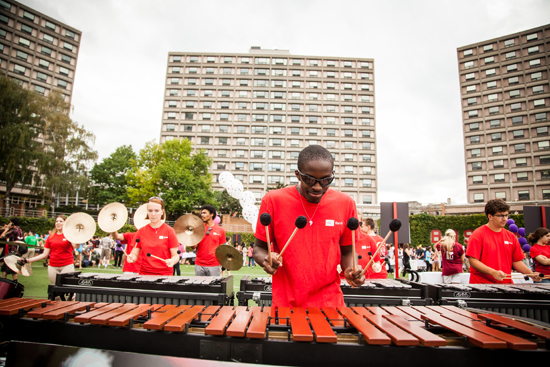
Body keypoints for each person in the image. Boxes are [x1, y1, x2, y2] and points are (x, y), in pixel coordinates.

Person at [253, 145, 364, 308]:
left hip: (330, 303)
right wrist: (266, 259)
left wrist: (351, 269)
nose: (318, 187)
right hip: (285, 303)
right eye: (310, 180)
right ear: (298, 175)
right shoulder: (273, 200)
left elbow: (348, 250)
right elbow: (258, 249)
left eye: (326, 180)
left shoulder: (345, 204)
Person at [466, 199, 541, 283]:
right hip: (482, 285)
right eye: (501, 216)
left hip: (505, 284)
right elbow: (473, 261)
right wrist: (492, 272)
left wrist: (531, 274)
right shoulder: (478, 234)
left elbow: (516, 262)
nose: (505, 219)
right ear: (490, 216)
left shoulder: (511, 236)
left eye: (506, 215)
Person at [19, 215, 80, 284]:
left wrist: (79, 236)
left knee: (68, 289)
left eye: (61, 221)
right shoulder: (50, 237)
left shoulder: (69, 235)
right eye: (56, 221)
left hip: (67, 265)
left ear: (65, 223)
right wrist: (27, 260)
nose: (58, 223)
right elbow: (44, 254)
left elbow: (76, 246)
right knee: (54, 289)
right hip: (52, 266)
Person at [127, 197, 179, 275]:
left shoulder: (169, 231)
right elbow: (134, 254)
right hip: (144, 274)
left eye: (156, 211)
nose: (153, 214)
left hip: (165, 275)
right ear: (147, 212)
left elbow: (176, 255)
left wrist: (172, 261)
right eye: (150, 211)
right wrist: (131, 257)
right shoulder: (141, 231)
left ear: (162, 212)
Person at [189, 205, 226, 276]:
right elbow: (194, 247)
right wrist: (190, 236)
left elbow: (222, 249)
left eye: (204, 213)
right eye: (201, 213)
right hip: (199, 264)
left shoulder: (221, 230)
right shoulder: (198, 228)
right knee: (199, 286)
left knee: (214, 286)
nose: (202, 215)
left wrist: (222, 264)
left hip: (214, 264)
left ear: (212, 214)